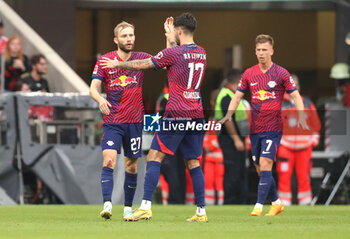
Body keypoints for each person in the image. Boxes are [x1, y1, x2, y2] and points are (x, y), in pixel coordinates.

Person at [101, 13, 208, 222]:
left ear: (178, 31)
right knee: (193, 161)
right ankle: (201, 211)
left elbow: (146, 64)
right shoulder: (202, 53)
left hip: (177, 112)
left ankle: (146, 207)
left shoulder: (175, 53)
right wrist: (170, 39)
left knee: (154, 157)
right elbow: (176, 58)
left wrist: (118, 65)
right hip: (197, 112)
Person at [219, 34, 308, 216]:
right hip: (255, 129)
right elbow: (237, 96)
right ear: (255, 51)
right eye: (258, 50)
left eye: (264, 50)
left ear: (272, 51)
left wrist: (301, 114)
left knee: (266, 163)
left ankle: (258, 206)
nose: (261, 53)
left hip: (273, 128)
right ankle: (276, 202)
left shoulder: (281, 73)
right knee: (260, 168)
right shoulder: (249, 74)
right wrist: (229, 114)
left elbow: (296, 95)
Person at [89, 21, 152, 221]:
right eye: (124, 36)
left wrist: (169, 40)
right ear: (116, 40)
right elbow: (93, 88)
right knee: (108, 160)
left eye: (131, 35)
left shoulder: (142, 58)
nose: (129, 39)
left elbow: (165, 60)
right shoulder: (105, 60)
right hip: (113, 119)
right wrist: (100, 99)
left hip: (134, 120)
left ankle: (127, 208)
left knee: (131, 166)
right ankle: (107, 204)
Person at [277, 74, 321, 205]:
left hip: (305, 148)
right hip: (285, 147)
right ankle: (284, 203)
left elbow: (316, 125)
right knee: (284, 176)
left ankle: (305, 203)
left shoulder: (307, 103)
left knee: (304, 177)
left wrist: (313, 141)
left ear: (299, 87)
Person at [215, 69, 249, 204]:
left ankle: (240, 201)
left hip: (236, 141)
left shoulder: (232, 95)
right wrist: (236, 140)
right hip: (230, 141)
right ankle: (231, 201)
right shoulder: (226, 96)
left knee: (239, 172)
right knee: (232, 173)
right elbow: (227, 120)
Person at [203, 89, 224, 205]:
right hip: (210, 158)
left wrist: (209, 146)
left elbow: (220, 139)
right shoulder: (211, 119)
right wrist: (205, 145)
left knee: (219, 183)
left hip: (220, 158)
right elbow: (207, 135)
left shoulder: (222, 118)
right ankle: (208, 205)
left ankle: (221, 205)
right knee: (208, 182)